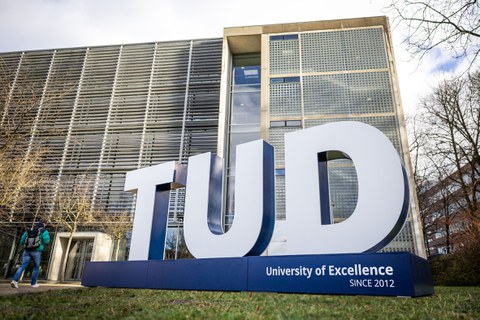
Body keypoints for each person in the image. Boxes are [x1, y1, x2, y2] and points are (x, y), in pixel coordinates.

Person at [10, 220, 50, 288]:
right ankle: (33, 283)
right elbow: (47, 241)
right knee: (36, 268)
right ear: (44, 224)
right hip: (37, 251)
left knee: (22, 266)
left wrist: (27, 245)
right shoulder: (44, 231)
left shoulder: (29, 230)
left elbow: (22, 240)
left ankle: (14, 281)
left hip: (27, 250)